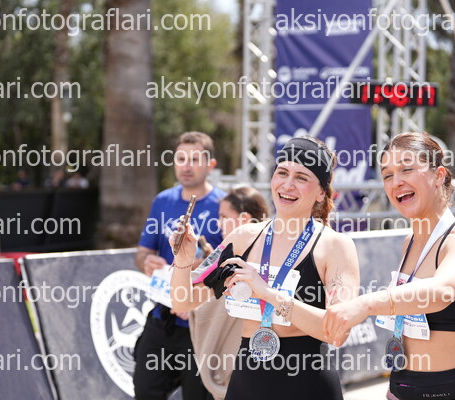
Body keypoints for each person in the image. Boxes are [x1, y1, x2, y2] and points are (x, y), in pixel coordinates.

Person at [169, 136, 360, 400]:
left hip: (307, 385)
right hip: (247, 383)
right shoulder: (243, 237)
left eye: (301, 177)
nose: (287, 184)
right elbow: (183, 301)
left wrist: (268, 293)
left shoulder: (335, 245)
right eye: (282, 173)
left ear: (321, 193)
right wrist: (183, 259)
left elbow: (338, 332)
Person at [323, 132, 455, 400]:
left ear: (439, 175)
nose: (396, 182)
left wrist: (365, 305)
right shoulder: (410, 243)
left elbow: (440, 292)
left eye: (407, 169)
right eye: (387, 175)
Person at [134, 131, 225, 400]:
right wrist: (146, 261)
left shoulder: (224, 205)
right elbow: (143, 251)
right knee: (145, 390)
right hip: (162, 316)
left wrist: (199, 266)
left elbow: (234, 262)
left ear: (210, 164)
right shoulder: (163, 201)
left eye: (195, 159)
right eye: (181, 158)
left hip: (201, 325)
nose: (186, 166)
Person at [189, 186, 269, 400]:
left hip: (250, 369)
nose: (219, 223)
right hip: (234, 372)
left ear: (245, 219)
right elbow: (191, 295)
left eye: (224, 216)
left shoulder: (262, 257)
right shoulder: (222, 254)